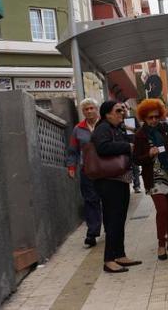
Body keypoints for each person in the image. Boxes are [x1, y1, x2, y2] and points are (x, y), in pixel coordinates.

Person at [91, 100, 142, 274]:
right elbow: (102, 147)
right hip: (108, 180)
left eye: (122, 110)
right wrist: (127, 146)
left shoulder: (116, 128)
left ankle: (119, 254)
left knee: (119, 219)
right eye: (118, 111)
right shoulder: (103, 128)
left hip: (119, 179)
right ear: (107, 114)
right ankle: (109, 259)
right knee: (113, 220)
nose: (122, 113)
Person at [133, 98, 168, 261]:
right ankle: (161, 245)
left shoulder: (165, 129)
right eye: (150, 117)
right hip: (154, 179)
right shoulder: (140, 135)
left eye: (156, 116)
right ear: (144, 118)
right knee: (162, 211)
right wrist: (148, 155)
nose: (154, 120)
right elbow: (136, 159)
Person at [66, 98, 103, 247]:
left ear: (96, 109)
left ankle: (111, 229)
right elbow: (72, 151)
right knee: (90, 201)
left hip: (106, 169)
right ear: (82, 112)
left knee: (107, 200)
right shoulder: (78, 129)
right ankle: (92, 233)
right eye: (86, 109)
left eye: (91, 108)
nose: (89, 111)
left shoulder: (104, 125)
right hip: (87, 170)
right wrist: (71, 167)